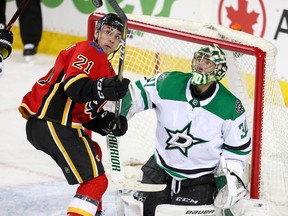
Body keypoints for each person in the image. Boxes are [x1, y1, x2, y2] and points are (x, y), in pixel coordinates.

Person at [117, 44, 252, 215]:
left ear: (219, 71)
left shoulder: (230, 107)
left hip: (200, 179)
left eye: (208, 62)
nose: (200, 65)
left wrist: (228, 181)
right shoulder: (169, 83)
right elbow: (140, 92)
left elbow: (237, 150)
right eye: (198, 59)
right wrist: (118, 110)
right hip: (159, 169)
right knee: (144, 212)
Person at [18, 13, 130, 216]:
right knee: (97, 180)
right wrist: (103, 87)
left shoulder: (107, 69)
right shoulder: (90, 50)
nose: (111, 39)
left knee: (94, 150)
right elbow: (73, 87)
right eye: (107, 32)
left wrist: (107, 123)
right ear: (97, 33)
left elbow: (85, 112)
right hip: (51, 121)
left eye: (117, 37)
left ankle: (93, 211)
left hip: (57, 124)